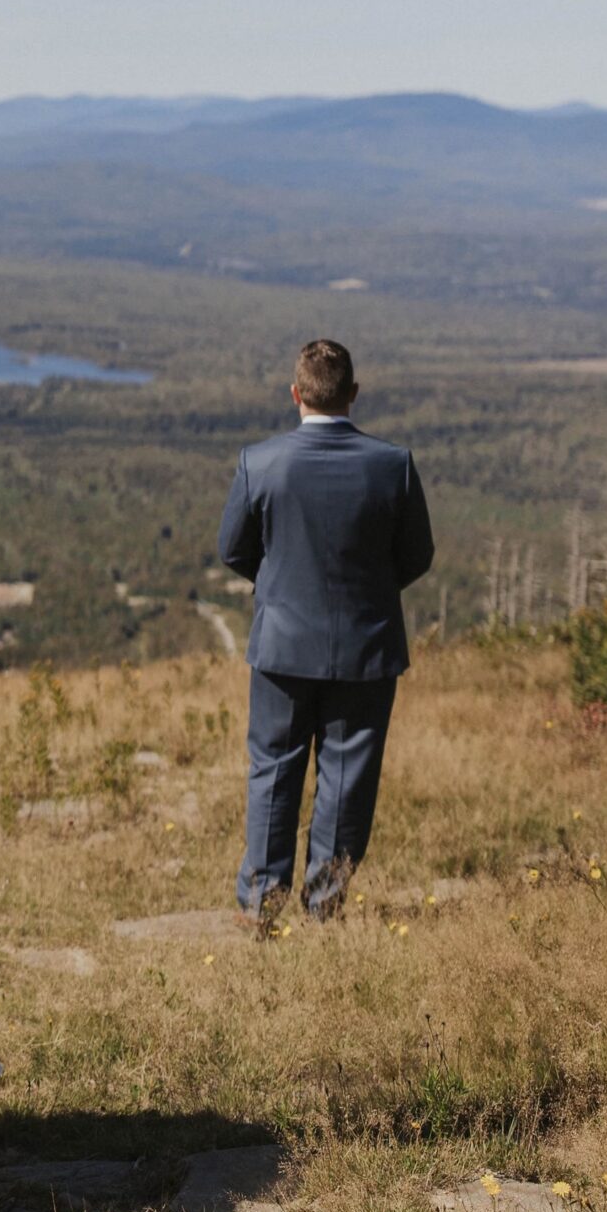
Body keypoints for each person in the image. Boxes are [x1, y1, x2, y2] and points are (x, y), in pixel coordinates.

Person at [217, 338, 433, 924]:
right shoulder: (393, 466)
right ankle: (324, 904)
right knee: (347, 780)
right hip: (366, 649)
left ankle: (262, 903)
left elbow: (233, 550)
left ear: (296, 394)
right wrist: (368, 597)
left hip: (282, 646)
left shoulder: (258, 463)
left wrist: (280, 588)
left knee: (274, 771)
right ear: (353, 395)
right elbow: (417, 556)